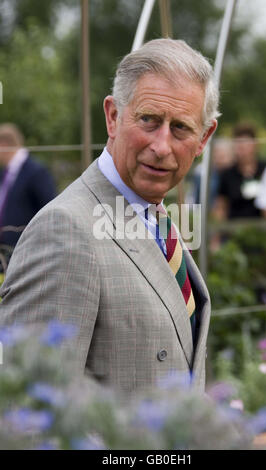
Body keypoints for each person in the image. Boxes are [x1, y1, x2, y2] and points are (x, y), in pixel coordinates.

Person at [0, 39, 218, 394]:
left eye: (180, 128)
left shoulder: (158, 219)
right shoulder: (65, 229)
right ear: (113, 117)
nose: (162, 146)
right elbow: (29, 410)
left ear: (204, 137)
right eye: (148, 120)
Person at [0, 124, 57, 258]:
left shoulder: (36, 172)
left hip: (27, 249)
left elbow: (50, 210)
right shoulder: (5, 173)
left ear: (4, 145)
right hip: (6, 250)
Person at [213, 123, 266, 220]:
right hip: (234, 229)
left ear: (255, 145)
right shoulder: (227, 174)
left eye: (246, 144)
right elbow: (221, 206)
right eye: (239, 144)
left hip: (263, 228)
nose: (242, 149)